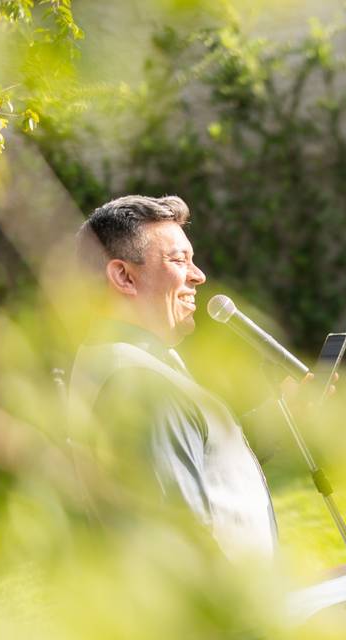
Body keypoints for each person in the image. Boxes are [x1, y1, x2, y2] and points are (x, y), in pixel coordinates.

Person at [69, 195, 290, 561]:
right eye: (178, 260)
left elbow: (202, 460)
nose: (198, 275)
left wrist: (284, 418)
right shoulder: (137, 382)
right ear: (123, 276)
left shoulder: (130, 361)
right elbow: (182, 546)